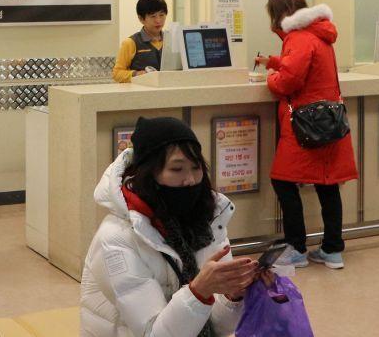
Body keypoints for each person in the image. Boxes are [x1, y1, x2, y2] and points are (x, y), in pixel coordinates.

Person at [81, 116, 255, 337]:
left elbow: (217, 327)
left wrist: (233, 296)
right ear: (149, 174)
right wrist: (199, 291)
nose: (190, 180)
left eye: (196, 167)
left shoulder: (207, 223)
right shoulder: (116, 239)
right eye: (177, 169)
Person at [254, 0, 357, 270]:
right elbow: (305, 67)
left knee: (283, 181)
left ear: (278, 15)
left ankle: (297, 247)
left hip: (304, 124)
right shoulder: (319, 33)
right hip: (328, 122)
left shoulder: (298, 37)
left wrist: (271, 77)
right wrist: (275, 61)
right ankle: (332, 249)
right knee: (327, 183)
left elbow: (289, 81)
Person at [113, 0, 169, 83]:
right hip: (141, 90)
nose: (158, 20)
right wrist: (136, 74)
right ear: (141, 19)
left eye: (161, 15)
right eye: (153, 16)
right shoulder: (130, 43)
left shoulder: (172, 40)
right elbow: (117, 74)